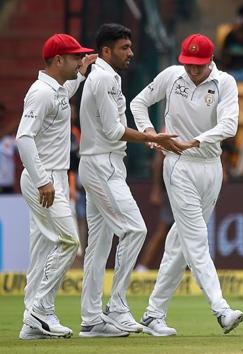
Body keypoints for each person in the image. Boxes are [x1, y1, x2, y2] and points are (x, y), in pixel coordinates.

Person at [131, 33, 243, 336]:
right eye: (189, 64)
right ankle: (221, 310)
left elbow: (230, 125)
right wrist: (151, 133)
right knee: (196, 238)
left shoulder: (225, 83)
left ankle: (153, 314)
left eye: (199, 65)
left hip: (211, 165)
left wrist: (198, 140)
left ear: (210, 61)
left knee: (180, 244)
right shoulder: (172, 75)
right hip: (178, 165)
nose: (193, 71)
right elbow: (138, 103)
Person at [78, 23, 181, 338]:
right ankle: (118, 308)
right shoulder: (105, 77)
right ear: (106, 51)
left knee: (99, 245)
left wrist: (149, 135)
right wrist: (157, 139)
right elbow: (112, 131)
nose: (131, 53)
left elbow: (114, 126)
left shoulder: (106, 76)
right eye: (124, 48)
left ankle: (92, 318)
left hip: (103, 161)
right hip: (102, 164)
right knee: (135, 229)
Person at [15, 33, 95, 340]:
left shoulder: (59, 88)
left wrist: (83, 70)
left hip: (54, 176)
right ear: (58, 60)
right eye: (75, 57)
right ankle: (41, 309)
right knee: (69, 242)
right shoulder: (41, 93)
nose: (79, 60)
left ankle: (29, 323)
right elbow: (24, 138)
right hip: (44, 178)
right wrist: (43, 181)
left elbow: (69, 87)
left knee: (43, 249)